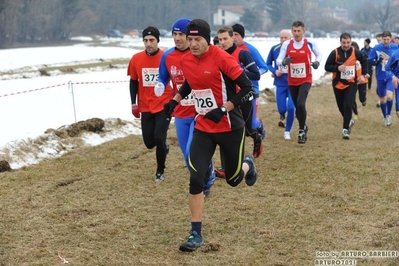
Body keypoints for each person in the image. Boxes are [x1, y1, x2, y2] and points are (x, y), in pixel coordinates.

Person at [163, 19, 257, 252]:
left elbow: (248, 90)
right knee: (196, 178)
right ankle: (196, 234)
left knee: (233, 179)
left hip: (229, 127)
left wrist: (224, 108)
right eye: (190, 39)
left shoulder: (222, 58)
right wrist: (174, 100)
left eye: (197, 40)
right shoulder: (186, 59)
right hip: (204, 127)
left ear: (208, 39)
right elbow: (190, 84)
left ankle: (248, 164)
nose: (192, 44)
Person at [155, 18, 215, 196]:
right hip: (181, 112)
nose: (178, 38)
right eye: (175, 34)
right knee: (187, 156)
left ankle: (203, 182)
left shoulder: (198, 54)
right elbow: (163, 77)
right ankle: (205, 176)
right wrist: (160, 84)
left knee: (193, 151)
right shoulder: (168, 56)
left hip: (199, 111)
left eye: (182, 34)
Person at [127, 26, 172, 181]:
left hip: (164, 104)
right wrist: (133, 103)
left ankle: (160, 171)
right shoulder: (136, 59)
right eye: (146, 40)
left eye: (152, 40)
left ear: (158, 41)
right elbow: (133, 81)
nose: (149, 44)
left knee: (159, 137)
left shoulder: (166, 57)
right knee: (149, 143)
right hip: (145, 105)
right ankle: (164, 147)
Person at [217, 26, 262, 157]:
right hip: (227, 98)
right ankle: (230, 163)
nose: (223, 42)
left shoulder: (242, 54)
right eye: (220, 39)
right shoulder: (218, 55)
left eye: (225, 38)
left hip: (244, 97)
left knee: (247, 130)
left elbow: (256, 74)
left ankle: (256, 137)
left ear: (233, 38)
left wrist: (237, 73)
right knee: (228, 130)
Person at [276, 21, 322, 144]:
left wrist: (317, 62)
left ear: (303, 31)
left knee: (301, 104)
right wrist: (284, 62)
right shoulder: (287, 44)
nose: (296, 33)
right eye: (294, 31)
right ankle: (304, 126)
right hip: (292, 80)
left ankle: (301, 131)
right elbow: (278, 60)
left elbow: (319, 54)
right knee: (298, 107)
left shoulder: (309, 43)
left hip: (306, 79)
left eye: (299, 31)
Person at [324, 33, 368, 139]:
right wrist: (337, 68)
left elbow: (365, 60)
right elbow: (326, 66)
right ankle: (349, 121)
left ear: (350, 42)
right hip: (338, 83)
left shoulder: (355, 52)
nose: (346, 45)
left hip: (351, 83)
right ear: (340, 42)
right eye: (344, 43)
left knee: (348, 105)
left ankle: (345, 130)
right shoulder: (335, 52)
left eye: (348, 42)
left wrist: (363, 74)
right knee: (341, 107)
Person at [232, 23, 268, 140]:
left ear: (242, 36)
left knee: (250, 125)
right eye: (231, 34)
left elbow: (263, 67)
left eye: (236, 34)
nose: (233, 37)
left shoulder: (250, 49)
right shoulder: (228, 51)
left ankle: (259, 124)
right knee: (239, 123)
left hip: (252, 90)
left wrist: (246, 76)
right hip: (235, 91)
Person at [266, 29, 295, 140]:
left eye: (285, 38)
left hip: (293, 84)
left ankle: (287, 131)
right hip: (280, 83)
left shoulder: (295, 49)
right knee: (282, 109)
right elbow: (267, 63)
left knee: (291, 107)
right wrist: (274, 71)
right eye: (281, 37)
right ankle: (283, 116)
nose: (283, 40)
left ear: (290, 38)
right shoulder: (275, 49)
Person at [368, 30, 399, 126]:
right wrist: (378, 60)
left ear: (391, 39)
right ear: (382, 39)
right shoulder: (377, 48)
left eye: (388, 39)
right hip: (380, 76)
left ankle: (389, 115)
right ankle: (385, 116)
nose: (386, 41)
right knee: (382, 100)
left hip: (390, 76)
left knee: (389, 96)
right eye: (384, 39)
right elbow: (370, 60)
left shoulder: (395, 47)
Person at [351, 41, 369, 120]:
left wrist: (366, 73)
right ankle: (355, 113)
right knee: (351, 98)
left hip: (362, 80)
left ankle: (363, 100)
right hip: (352, 81)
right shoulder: (347, 57)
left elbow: (366, 65)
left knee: (362, 98)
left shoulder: (362, 55)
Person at [385, 48, 399, 119]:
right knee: (398, 112)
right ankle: (388, 115)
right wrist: (393, 76)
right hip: (397, 83)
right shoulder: (395, 55)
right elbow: (387, 68)